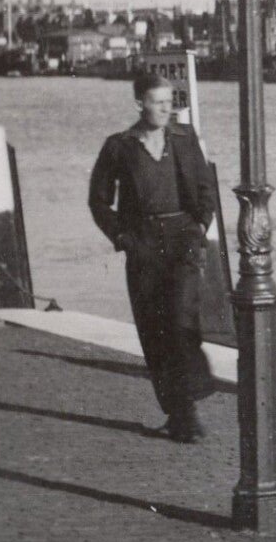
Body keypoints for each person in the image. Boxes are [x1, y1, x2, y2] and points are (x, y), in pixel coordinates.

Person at [87, 73, 218, 443]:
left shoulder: (184, 138)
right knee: (155, 332)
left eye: (169, 101)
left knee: (181, 321)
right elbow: (98, 201)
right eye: (158, 102)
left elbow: (206, 187)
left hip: (182, 240)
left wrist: (199, 227)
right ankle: (180, 415)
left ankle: (192, 396)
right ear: (139, 104)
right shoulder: (119, 147)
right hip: (143, 244)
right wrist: (123, 237)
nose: (166, 108)